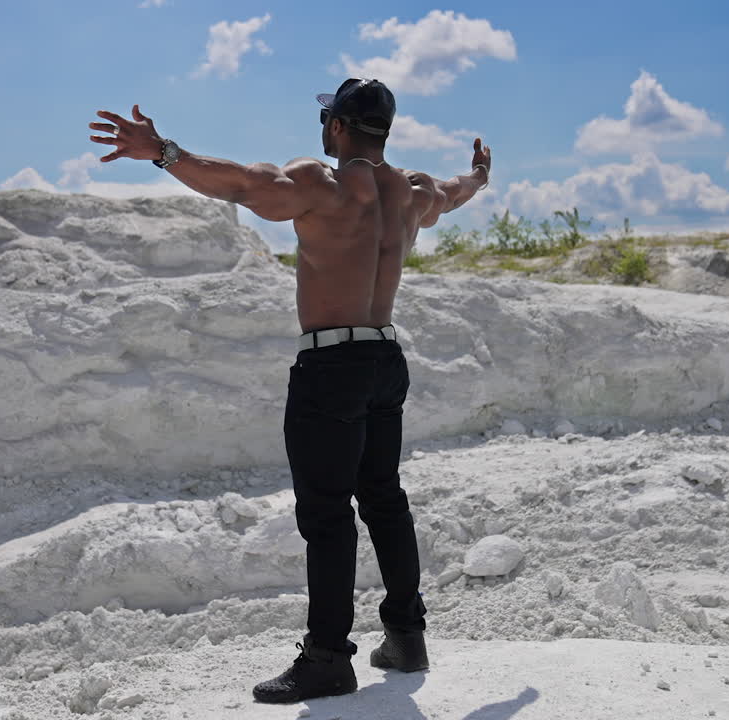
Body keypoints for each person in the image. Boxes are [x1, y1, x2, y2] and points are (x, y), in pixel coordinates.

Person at [89, 78, 491, 704]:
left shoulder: (321, 185)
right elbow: (457, 192)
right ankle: (407, 637)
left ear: (335, 127)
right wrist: (479, 178)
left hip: (332, 365)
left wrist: (162, 151)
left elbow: (242, 185)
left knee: (327, 514)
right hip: (385, 356)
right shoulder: (414, 193)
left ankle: (329, 657)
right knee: (384, 498)